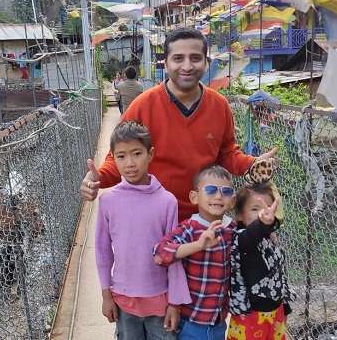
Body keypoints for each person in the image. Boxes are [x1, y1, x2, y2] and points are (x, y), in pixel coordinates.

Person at [80, 28, 277, 222]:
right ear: (166, 64)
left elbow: (227, 153)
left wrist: (252, 164)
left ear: (206, 63)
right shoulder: (143, 106)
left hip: (203, 218)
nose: (187, 66)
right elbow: (119, 156)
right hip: (154, 218)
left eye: (195, 58)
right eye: (178, 58)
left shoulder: (219, 106)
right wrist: (99, 178)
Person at [95, 121, 191, 339]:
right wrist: (106, 294)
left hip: (160, 301)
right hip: (124, 301)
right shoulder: (108, 201)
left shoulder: (167, 202)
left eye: (137, 153)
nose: (130, 163)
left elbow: (173, 256)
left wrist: (175, 303)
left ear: (151, 154)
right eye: (121, 156)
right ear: (114, 158)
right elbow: (102, 252)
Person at [153, 165, 236, 340]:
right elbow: (160, 253)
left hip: (219, 323)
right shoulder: (190, 228)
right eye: (211, 190)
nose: (218, 196)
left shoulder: (232, 229)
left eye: (226, 191)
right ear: (194, 197)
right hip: (191, 322)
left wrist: (268, 231)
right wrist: (198, 245)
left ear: (232, 201)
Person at [227, 182, 292, 340]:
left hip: (275, 313)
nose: (263, 213)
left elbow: (277, 274)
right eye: (255, 209)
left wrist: (285, 306)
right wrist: (263, 224)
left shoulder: (270, 239)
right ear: (240, 215)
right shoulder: (240, 237)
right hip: (249, 316)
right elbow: (249, 239)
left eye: (268, 208)